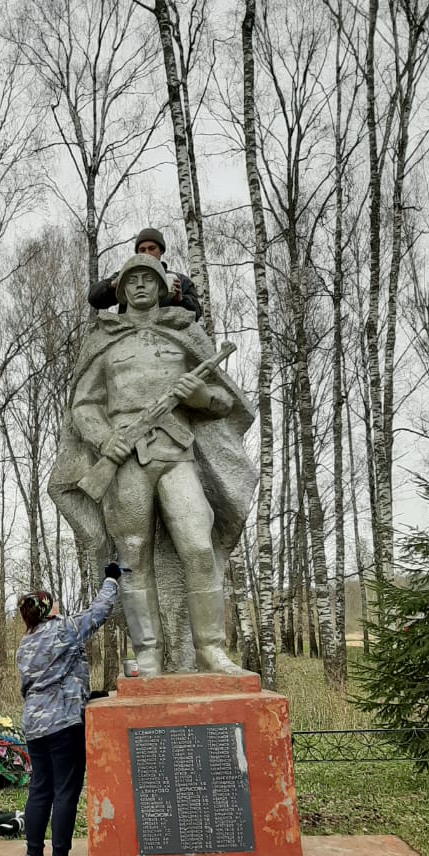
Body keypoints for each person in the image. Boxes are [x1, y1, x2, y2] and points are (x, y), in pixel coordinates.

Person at [50, 252, 257, 676]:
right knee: (132, 554)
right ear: (121, 290)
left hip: (176, 452)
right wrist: (106, 439)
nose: (140, 285)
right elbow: (83, 405)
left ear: (162, 287)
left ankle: (211, 651)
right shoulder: (105, 339)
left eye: (148, 278)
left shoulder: (185, 333)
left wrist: (199, 398)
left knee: (199, 548)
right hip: (125, 458)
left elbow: (224, 403)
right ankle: (148, 654)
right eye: (132, 280)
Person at [15, 566, 121, 856]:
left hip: (34, 725)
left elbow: (36, 684)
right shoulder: (62, 630)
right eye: (54, 603)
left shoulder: (25, 644)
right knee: (65, 791)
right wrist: (111, 580)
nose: (59, 606)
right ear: (47, 609)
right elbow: (99, 612)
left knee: (40, 789)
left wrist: (85, 693)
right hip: (63, 724)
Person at [88, 226, 202, 320]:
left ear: (161, 250)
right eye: (142, 250)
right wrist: (114, 285)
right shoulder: (125, 275)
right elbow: (94, 298)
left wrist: (181, 300)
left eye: (152, 248)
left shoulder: (179, 280)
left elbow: (196, 313)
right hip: (131, 336)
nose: (147, 253)